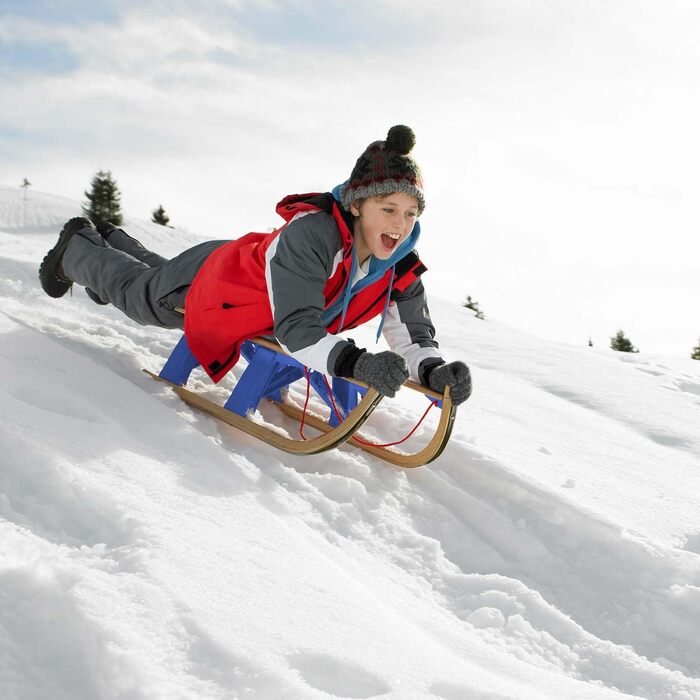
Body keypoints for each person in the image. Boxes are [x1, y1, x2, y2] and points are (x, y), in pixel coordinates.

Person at [39, 125, 472, 404]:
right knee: (141, 297)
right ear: (357, 205)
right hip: (217, 283)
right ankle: (76, 249)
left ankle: (115, 242)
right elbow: (298, 331)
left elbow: (412, 332)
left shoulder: (400, 265)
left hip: (250, 288)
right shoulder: (313, 235)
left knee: (150, 280)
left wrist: (434, 372)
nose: (400, 224)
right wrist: (356, 365)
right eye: (389, 208)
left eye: (411, 213)